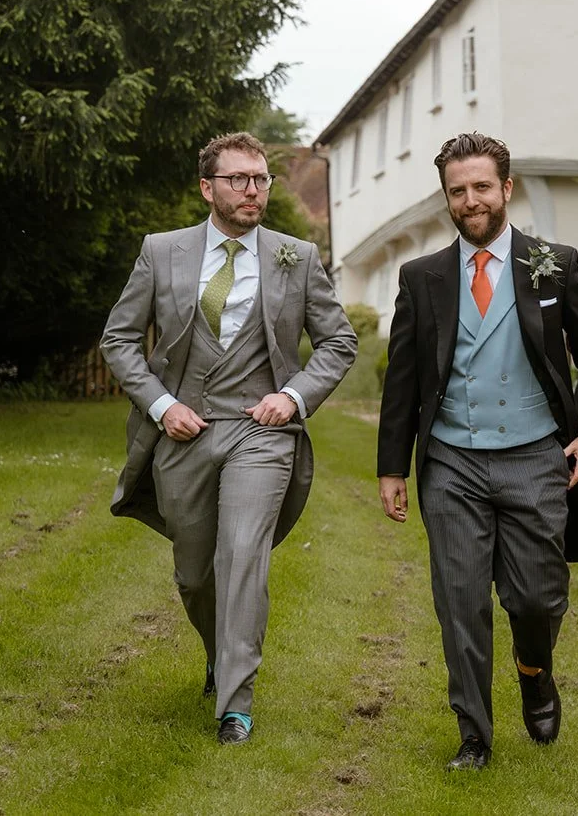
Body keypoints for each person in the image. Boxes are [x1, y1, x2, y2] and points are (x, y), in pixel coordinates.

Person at [101, 131, 358, 745]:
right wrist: (163, 407)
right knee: (194, 574)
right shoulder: (162, 252)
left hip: (260, 433)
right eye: (239, 179)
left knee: (244, 555)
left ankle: (235, 702)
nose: (253, 190)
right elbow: (119, 339)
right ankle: (220, 650)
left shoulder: (296, 255)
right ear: (207, 187)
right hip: (185, 433)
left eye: (262, 179)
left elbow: (338, 342)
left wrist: (291, 397)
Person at [376, 132, 578, 771]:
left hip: (536, 453)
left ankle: (535, 672)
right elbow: (403, 376)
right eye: (458, 191)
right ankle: (474, 736)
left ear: (506, 189)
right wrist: (392, 466)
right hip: (451, 460)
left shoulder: (554, 263)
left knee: (537, 597)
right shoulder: (422, 276)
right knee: (460, 600)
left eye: (482, 187)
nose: (471, 200)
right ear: (447, 199)